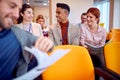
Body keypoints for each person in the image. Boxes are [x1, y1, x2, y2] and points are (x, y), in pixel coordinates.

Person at [0, 0, 53, 79]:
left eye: (18, 10)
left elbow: (47, 44)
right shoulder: (18, 27)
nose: (16, 15)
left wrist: (48, 43)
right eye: (12, 6)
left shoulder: (18, 33)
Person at [79, 7, 107, 80]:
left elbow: (102, 45)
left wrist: (98, 49)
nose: (88, 19)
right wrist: (86, 48)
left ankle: (101, 77)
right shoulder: (83, 27)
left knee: (103, 62)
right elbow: (82, 41)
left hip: (98, 52)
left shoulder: (103, 31)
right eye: (87, 16)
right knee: (90, 61)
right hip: (87, 51)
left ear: (97, 19)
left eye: (91, 17)